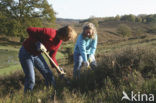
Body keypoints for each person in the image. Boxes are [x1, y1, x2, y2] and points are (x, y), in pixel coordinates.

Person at [18, 26, 77, 92]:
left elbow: (52, 56)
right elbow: (29, 29)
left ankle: (51, 95)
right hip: (26, 53)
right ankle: (27, 97)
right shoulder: (49, 33)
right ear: (64, 34)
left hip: (37, 55)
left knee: (49, 76)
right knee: (31, 80)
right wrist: (37, 42)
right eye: (68, 38)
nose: (68, 40)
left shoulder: (58, 42)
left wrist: (57, 68)